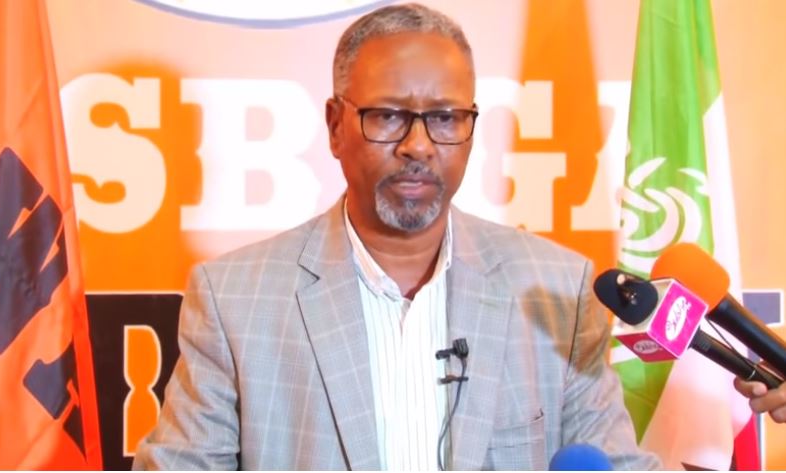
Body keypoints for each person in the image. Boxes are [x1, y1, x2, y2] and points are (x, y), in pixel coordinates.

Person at [133, 3, 660, 470]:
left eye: (445, 118)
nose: (419, 145)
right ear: (335, 126)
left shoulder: (557, 294)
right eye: (387, 116)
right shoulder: (236, 301)